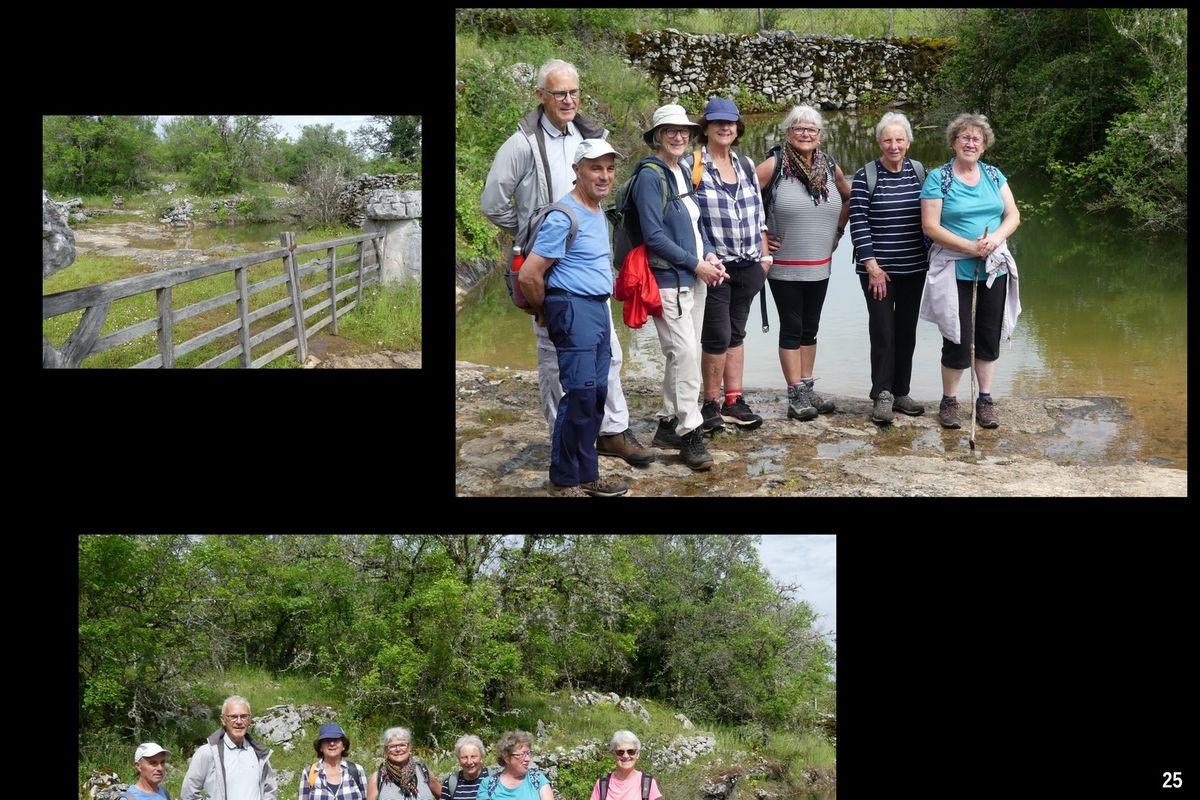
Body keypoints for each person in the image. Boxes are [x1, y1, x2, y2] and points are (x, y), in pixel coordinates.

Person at [481, 58, 653, 469]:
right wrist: (532, 230)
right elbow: (492, 203)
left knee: (608, 354)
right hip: (546, 266)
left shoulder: (589, 136)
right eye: (559, 93)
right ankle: (570, 451)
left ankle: (612, 431)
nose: (568, 100)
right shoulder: (521, 143)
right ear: (541, 96)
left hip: (587, 265)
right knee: (555, 358)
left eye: (574, 92)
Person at [519, 139, 630, 497]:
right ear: (577, 170)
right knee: (579, 394)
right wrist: (544, 312)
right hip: (573, 308)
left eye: (610, 169)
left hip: (597, 308)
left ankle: (588, 476)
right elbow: (530, 275)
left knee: (596, 394)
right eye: (596, 168)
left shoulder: (597, 210)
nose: (604, 176)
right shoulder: (563, 215)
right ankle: (563, 480)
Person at [633, 104, 728, 470]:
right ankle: (691, 434)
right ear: (657, 136)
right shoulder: (650, 176)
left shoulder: (681, 172)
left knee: (681, 353)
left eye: (684, 131)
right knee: (687, 354)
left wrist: (709, 255)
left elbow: (695, 222)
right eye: (670, 130)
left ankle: (667, 423)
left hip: (693, 277)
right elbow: (654, 235)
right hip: (667, 281)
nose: (678, 136)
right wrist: (696, 264)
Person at [919, 113, 1021, 430]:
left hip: (993, 267)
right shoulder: (939, 178)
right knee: (957, 339)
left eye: (976, 139)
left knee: (989, 336)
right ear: (954, 142)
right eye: (964, 137)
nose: (970, 143)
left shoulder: (993, 175)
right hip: (954, 269)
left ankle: (985, 399)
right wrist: (968, 246)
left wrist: (993, 240)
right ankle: (949, 401)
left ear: (984, 145)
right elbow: (930, 226)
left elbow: (1013, 215)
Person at [756, 105, 852, 421]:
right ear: (788, 133)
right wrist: (761, 237)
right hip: (784, 264)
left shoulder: (830, 166)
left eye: (811, 129)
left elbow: (849, 197)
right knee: (792, 326)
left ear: (820, 135)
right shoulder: (775, 165)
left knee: (811, 326)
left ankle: (807, 386)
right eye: (799, 128)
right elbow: (743, 200)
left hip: (820, 263)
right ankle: (795, 393)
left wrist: (839, 231)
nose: (805, 134)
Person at [684, 98, 771, 432]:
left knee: (736, 333)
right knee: (716, 335)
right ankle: (710, 403)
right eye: (717, 122)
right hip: (714, 268)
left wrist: (765, 259)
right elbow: (688, 219)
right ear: (705, 127)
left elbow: (758, 215)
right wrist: (701, 259)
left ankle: (733, 400)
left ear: (737, 129)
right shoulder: (691, 166)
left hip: (749, 265)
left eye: (730, 123)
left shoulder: (746, 164)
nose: (724, 128)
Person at [848, 111, 929, 424]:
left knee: (906, 330)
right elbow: (858, 223)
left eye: (899, 139)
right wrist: (871, 265)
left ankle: (902, 391)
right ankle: (881, 394)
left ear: (908, 142)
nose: (894, 146)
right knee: (883, 330)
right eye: (888, 140)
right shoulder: (866, 175)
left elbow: (932, 216)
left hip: (914, 268)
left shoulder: (921, 173)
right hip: (877, 270)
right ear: (879, 142)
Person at [181, 695, 278, 800]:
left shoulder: (259, 753)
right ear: (223, 720)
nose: (239, 721)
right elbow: (188, 793)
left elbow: (270, 791)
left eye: (244, 716)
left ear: (250, 719)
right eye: (233, 717)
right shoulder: (208, 752)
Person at [366, 727, 440, 800]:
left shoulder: (423, 772)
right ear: (386, 750)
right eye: (392, 746)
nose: (398, 749)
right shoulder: (377, 778)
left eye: (402, 745)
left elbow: (444, 796)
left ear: (409, 748)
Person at [475, 731, 553, 800]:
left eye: (528, 753)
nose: (528, 759)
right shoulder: (488, 784)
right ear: (507, 758)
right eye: (522, 754)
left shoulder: (538, 779)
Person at [301, 723, 369, 800]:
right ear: (320, 747)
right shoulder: (309, 773)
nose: (332, 743)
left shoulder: (357, 770)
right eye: (327, 740)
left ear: (344, 745)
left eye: (336, 740)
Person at [587, 731, 662, 800]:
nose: (626, 756)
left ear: (638, 754)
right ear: (614, 755)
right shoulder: (602, 784)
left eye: (631, 751)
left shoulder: (648, 783)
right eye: (620, 752)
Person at [441, 735, 489, 800]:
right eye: (464, 757)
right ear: (459, 759)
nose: (469, 762)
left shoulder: (494, 779)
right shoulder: (450, 783)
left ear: (481, 758)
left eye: (473, 757)